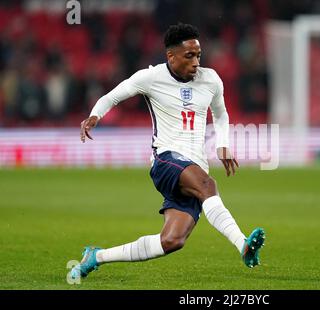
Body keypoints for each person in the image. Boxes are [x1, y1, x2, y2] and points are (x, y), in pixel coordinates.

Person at [70, 23, 265, 280]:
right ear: (171, 56)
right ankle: (243, 245)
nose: (196, 62)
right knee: (208, 186)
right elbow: (112, 97)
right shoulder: (150, 78)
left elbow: (221, 113)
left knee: (172, 240)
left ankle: (96, 257)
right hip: (166, 159)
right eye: (189, 56)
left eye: (198, 55)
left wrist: (223, 145)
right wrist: (94, 116)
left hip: (194, 165)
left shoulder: (211, 79)